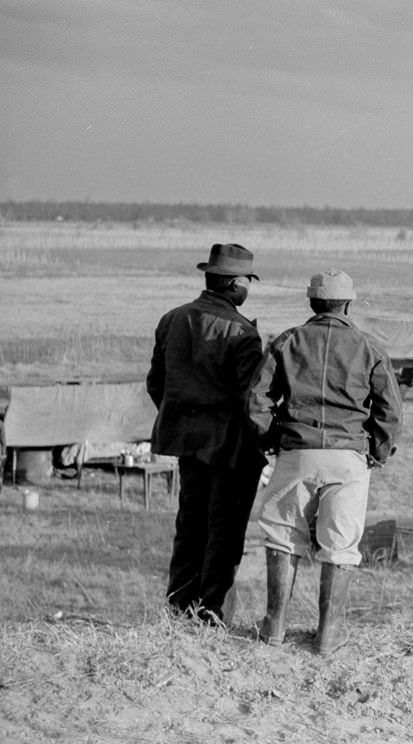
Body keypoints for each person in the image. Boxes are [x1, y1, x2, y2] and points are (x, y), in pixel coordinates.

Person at [248, 269, 402, 655]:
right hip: (349, 455)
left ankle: (274, 626)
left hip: (296, 450)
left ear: (312, 303)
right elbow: (390, 411)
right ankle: (329, 634)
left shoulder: (287, 341)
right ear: (348, 304)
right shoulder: (369, 347)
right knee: (340, 545)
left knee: (283, 537)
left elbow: (257, 401)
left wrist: (270, 441)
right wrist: (376, 453)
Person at [146, 243, 267, 625]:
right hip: (231, 449)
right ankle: (210, 614)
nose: (247, 288)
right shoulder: (242, 333)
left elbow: (156, 385)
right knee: (224, 535)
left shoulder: (172, 319)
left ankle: (179, 609)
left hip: (188, 442)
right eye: (246, 281)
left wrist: (184, 419)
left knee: (190, 527)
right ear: (233, 284)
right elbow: (251, 400)